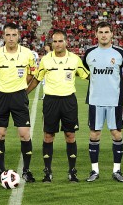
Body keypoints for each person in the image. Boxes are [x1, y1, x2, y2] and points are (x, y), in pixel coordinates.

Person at [26, 29, 89, 182]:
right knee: (48, 136)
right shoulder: (46, 60)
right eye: (55, 41)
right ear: (51, 43)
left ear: (66, 42)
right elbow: (36, 79)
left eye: (60, 41)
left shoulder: (75, 59)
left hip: (69, 101)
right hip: (51, 101)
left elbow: (87, 76)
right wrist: (24, 94)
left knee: (70, 135)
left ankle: (72, 172)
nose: (58, 44)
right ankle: (47, 172)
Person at [82, 22, 123, 182]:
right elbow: (85, 73)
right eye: (101, 32)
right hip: (95, 101)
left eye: (107, 32)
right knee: (94, 134)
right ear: (96, 34)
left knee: (116, 134)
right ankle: (94, 171)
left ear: (112, 34)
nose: (104, 35)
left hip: (115, 102)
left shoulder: (121, 54)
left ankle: (116, 171)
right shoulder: (89, 53)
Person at [0, 22, 36, 183]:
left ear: (18, 36)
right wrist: (2, 85)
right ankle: (2, 171)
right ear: (3, 36)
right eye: (8, 35)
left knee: (24, 134)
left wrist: (20, 86)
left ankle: (27, 170)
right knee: (0, 133)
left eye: (14, 35)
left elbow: (31, 74)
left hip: (19, 96)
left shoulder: (27, 53)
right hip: (1, 96)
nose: (11, 38)